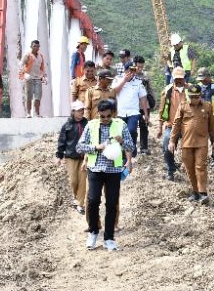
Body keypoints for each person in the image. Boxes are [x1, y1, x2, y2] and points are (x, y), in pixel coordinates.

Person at [76, 99, 134, 252]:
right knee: (93, 201)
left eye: (108, 116)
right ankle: (93, 231)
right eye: (102, 116)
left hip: (113, 171)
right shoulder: (91, 125)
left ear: (113, 114)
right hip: (95, 169)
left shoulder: (121, 125)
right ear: (98, 114)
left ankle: (109, 238)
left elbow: (131, 146)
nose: (105, 119)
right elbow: (79, 146)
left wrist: (122, 142)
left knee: (112, 204)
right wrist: (96, 147)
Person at [169, 85, 214, 204]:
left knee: (200, 167)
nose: (194, 99)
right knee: (189, 168)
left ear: (200, 96)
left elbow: (213, 125)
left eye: (196, 97)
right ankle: (195, 192)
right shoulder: (183, 106)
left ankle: (203, 193)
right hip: (186, 143)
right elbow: (176, 124)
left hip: (201, 143)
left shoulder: (207, 106)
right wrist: (172, 140)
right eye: (191, 97)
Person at [56, 100, 89, 214]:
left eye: (82, 110)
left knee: (82, 181)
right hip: (71, 157)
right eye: (79, 110)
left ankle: (80, 204)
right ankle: (75, 198)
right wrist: (59, 156)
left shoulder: (87, 124)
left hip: (84, 157)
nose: (81, 112)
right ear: (73, 112)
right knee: (73, 181)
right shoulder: (67, 125)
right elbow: (62, 141)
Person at [157, 67, 188, 181]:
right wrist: (160, 128)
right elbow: (161, 110)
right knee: (167, 145)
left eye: (180, 78)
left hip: (187, 126)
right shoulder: (167, 91)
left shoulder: (190, 90)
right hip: (171, 125)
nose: (178, 81)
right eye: (176, 79)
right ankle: (171, 169)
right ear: (173, 78)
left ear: (184, 78)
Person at [113, 61, 149, 157]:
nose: (132, 72)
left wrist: (146, 113)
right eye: (130, 70)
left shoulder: (138, 82)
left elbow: (143, 98)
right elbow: (114, 92)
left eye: (133, 70)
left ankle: (132, 150)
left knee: (131, 130)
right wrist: (124, 81)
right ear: (125, 70)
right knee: (121, 133)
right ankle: (124, 153)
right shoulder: (117, 79)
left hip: (133, 112)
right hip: (120, 112)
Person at [196, 67, 214, 162]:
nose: (202, 81)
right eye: (201, 79)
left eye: (204, 78)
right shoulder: (198, 86)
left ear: (208, 76)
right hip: (201, 116)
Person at [134, 56, 156, 155]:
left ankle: (144, 148)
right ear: (134, 65)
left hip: (144, 106)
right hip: (133, 106)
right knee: (133, 127)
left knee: (144, 126)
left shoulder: (146, 77)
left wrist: (153, 101)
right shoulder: (130, 76)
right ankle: (132, 148)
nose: (140, 69)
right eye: (138, 67)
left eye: (141, 67)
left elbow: (150, 90)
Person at [19, 39, 47, 117]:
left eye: (37, 46)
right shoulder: (27, 55)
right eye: (34, 46)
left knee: (38, 96)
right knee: (29, 96)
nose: (36, 48)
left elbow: (42, 67)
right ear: (31, 46)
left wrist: (45, 76)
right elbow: (21, 65)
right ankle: (28, 113)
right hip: (29, 78)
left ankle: (37, 113)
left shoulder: (40, 56)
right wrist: (24, 74)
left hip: (38, 78)